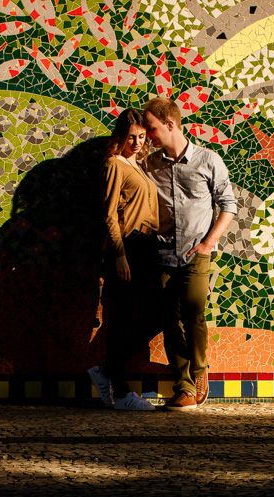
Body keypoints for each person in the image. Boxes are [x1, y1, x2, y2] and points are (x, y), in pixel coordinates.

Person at [141, 97, 237, 411]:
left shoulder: (209, 160)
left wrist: (209, 243)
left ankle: (200, 373)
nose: (149, 135)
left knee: (193, 313)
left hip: (197, 252)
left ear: (170, 125)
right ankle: (183, 387)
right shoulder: (151, 164)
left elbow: (228, 206)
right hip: (163, 252)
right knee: (170, 320)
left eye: (152, 128)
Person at [87, 109, 162, 411]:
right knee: (120, 320)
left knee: (157, 313)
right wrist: (119, 255)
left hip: (145, 247)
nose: (136, 141)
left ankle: (107, 370)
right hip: (127, 247)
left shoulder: (139, 165)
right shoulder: (114, 164)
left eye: (141, 136)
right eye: (131, 136)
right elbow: (108, 214)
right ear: (120, 135)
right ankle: (121, 391)